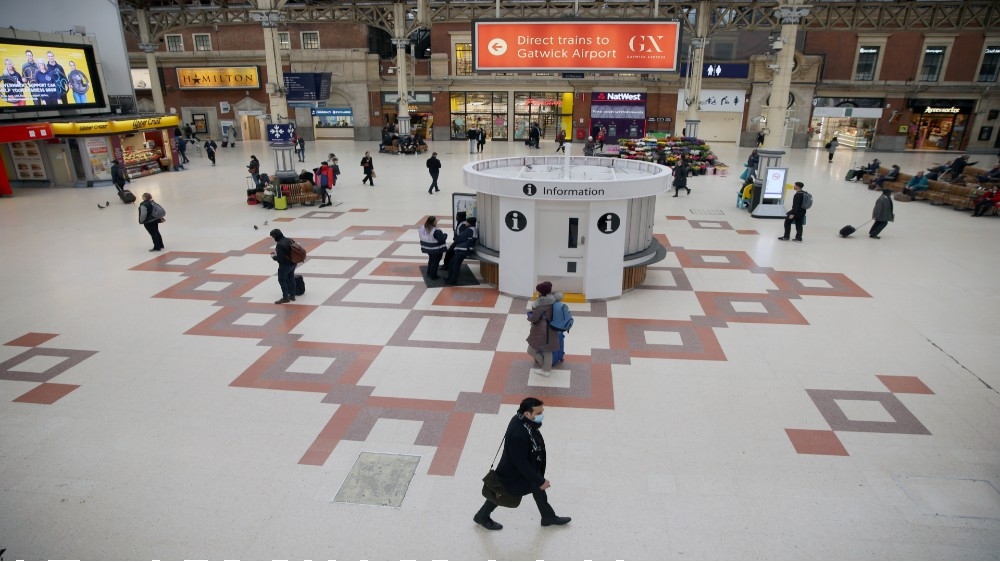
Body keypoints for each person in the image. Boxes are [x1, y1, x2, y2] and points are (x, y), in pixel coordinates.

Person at [472, 396, 571, 531]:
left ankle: (548, 516)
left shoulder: (521, 420)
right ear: (527, 413)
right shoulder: (519, 433)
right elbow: (521, 463)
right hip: (515, 473)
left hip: (525, 469)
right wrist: (540, 480)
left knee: (535, 488)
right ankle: (482, 516)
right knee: (503, 493)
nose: (541, 416)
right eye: (538, 413)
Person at [524, 281, 562, 376]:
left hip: (542, 331)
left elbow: (534, 318)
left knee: (531, 350)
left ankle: (545, 368)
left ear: (542, 292)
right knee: (547, 350)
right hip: (552, 330)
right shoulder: (554, 300)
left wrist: (529, 317)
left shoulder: (541, 304)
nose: (537, 292)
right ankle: (547, 370)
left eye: (538, 291)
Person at [445, 217, 477, 285]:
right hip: (462, 250)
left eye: (467, 222)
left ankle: (452, 280)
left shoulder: (469, 230)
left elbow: (458, 238)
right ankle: (450, 278)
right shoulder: (472, 229)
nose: (465, 223)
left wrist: (455, 238)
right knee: (451, 263)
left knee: (455, 265)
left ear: (470, 223)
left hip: (462, 250)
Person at [269, 229, 297, 304]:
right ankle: (292, 296)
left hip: (285, 265)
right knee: (291, 278)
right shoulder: (289, 240)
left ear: (276, 236)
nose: (273, 238)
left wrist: (274, 257)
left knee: (282, 280)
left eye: (273, 237)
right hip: (293, 262)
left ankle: (285, 298)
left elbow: (280, 259)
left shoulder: (279, 244)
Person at [417, 216, 448, 280]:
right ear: (433, 222)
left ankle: (429, 272)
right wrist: (445, 235)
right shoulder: (436, 231)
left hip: (427, 248)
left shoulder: (422, 227)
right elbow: (441, 239)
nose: (437, 222)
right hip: (436, 249)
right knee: (435, 262)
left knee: (431, 260)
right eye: (435, 221)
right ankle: (433, 275)